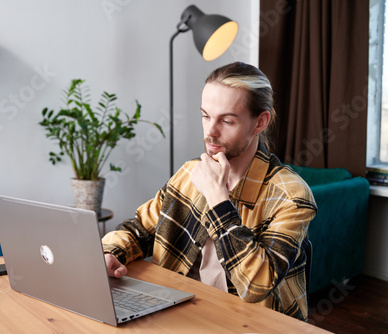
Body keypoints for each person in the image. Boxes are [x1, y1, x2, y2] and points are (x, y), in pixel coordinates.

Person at [101, 61, 317, 321]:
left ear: (260, 122)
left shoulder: (291, 196)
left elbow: (256, 285)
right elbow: (139, 229)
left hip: (255, 324)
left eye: (226, 120)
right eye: (205, 116)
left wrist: (218, 200)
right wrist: (110, 253)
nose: (210, 132)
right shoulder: (189, 174)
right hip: (181, 314)